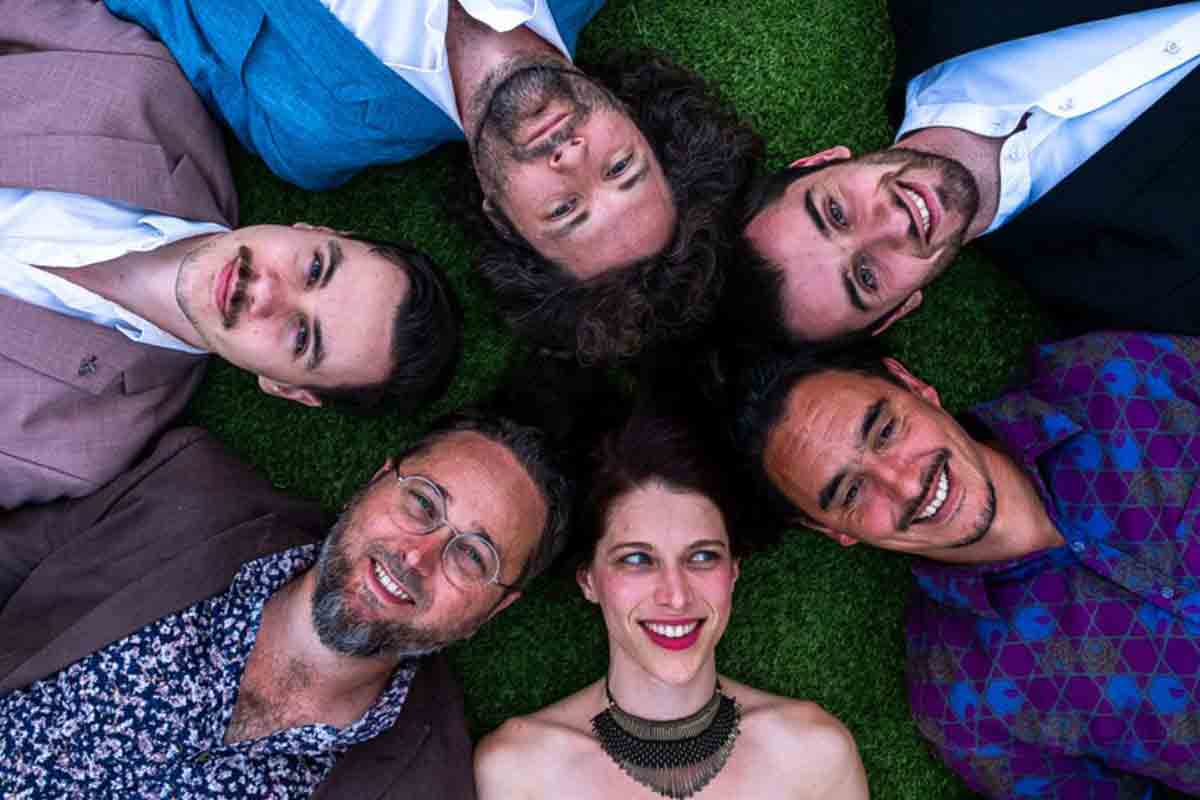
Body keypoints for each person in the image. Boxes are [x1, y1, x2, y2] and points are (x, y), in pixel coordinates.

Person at [100, 0, 762, 361]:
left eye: (565, 209)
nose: (571, 159)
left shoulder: (310, 133)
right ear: (638, 122)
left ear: (500, 216)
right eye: (620, 168)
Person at [0, 0, 460, 509]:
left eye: (302, 336)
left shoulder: (69, 445)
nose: (265, 291)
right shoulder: (138, 87)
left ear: (286, 388)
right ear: (313, 230)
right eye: (314, 268)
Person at [0, 407, 570, 798]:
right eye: (423, 503)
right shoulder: (187, 493)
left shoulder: (423, 786)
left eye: (472, 557)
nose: (417, 556)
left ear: (496, 609)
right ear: (376, 482)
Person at [735, 333, 1200, 796]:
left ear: (912, 385)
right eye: (852, 492)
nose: (905, 483)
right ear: (833, 530)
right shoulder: (965, 701)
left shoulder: (1112, 379)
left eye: (885, 431)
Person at [737, 1, 1200, 345]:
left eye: (836, 213)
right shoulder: (1144, 287)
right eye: (866, 277)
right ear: (900, 309)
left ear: (818, 161)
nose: (893, 222)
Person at [475, 415, 868, 799]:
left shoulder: (814, 754)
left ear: (733, 570)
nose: (677, 596)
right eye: (636, 560)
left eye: (702, 557)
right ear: (588, 580)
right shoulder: (520, 771)